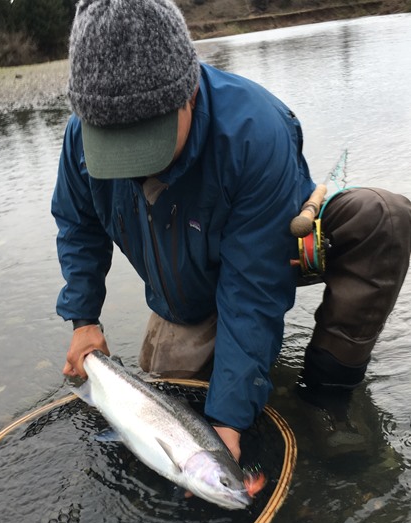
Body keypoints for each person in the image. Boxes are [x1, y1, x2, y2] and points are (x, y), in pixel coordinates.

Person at [51, 0, 411, 462]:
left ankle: (326, 396)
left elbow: (253, 290)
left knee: (381, 218)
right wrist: (83, 321)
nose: (135, 166)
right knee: (170, 410)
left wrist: (228, 422)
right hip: (186, 291)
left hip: (273, 244)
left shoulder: (253, 132)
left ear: (189, 91)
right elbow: (78, 226)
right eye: (115, 144)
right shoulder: (79, 137)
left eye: (146, 138)